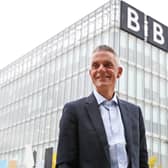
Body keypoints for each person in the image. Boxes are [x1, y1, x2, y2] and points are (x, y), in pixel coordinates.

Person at [56, 45, 149, 168]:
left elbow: (142, 161)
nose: (101, 69)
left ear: (119, 72)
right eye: (95, 66)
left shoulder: (135, 112)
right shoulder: (73, 111)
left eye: (107, 65)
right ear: (91, 74)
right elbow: (64, 163)